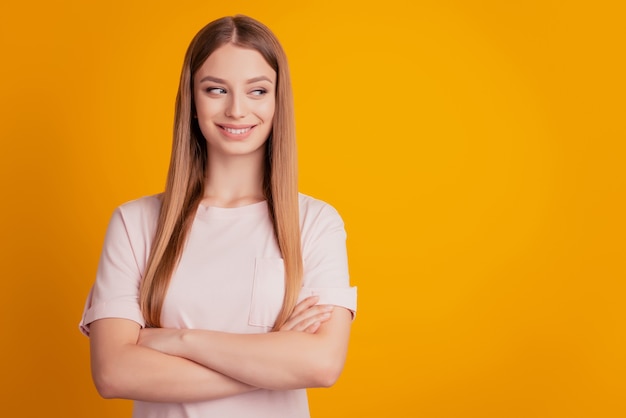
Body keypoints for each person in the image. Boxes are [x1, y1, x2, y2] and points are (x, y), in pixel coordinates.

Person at [79, 14, 357, 418]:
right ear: (192, 100)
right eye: (215, 89)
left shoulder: (315, 223)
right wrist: (274, 361)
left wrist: (176, 340)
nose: (237, 109)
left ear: (278, 101)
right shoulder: (133, 223)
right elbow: (113, 372)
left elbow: (322, 364)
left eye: (257, 90)